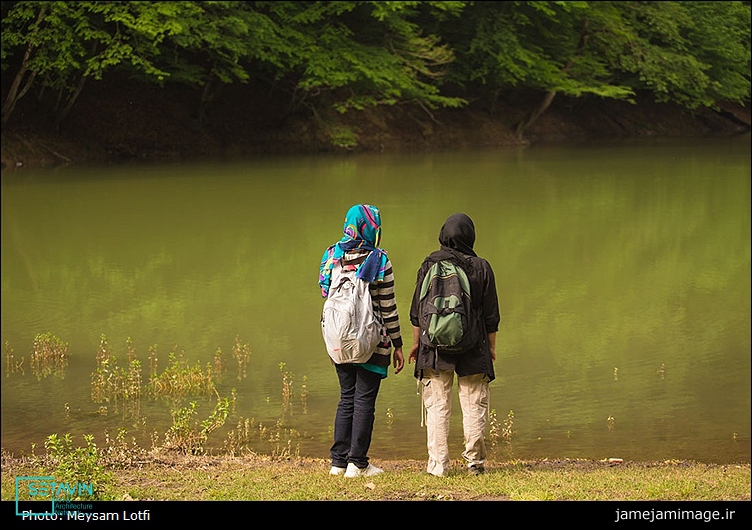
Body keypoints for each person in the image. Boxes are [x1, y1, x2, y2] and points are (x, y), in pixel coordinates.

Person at [408, 213, 500, 477]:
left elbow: (417, 312)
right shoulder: (481, 266)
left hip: (434, 346)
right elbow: (491, 316)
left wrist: (416, 344)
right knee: (473, 404)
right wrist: (491, 348)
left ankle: (438, 466)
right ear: (470, 236)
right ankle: (475, 464)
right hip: (474, 344)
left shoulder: (429, 264)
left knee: (437, 406)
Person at [319, 204, 405, 478]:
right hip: (373, 340)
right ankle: (358, 463)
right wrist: (398, 344)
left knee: (346, 397)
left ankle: (338, 463)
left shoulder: (331, 255)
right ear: (372, 228)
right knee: (364, 399)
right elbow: (388, 307)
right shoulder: (379, 260)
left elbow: (324, 291)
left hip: (338, 338)